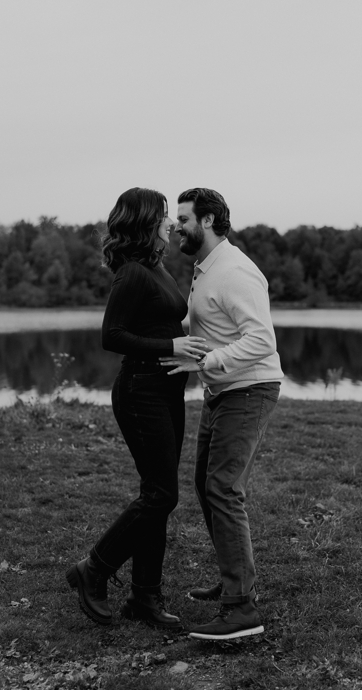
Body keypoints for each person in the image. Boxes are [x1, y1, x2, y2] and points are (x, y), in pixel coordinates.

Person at [65, 187, 210, 630]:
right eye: (164, 215)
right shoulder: (131, 272)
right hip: (140, 391)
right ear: (146, 220)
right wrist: (171, 345)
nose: (170, 222)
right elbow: (112, 336)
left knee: (157, 495)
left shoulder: (155, 266)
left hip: (166, 390)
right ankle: (94, 568)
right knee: (162, 494)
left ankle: (145, 598)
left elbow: (164, 319)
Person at [160, 187, 285, 642]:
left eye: (185, 219)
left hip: (248, 390)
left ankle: (241, 610)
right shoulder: (205, 268)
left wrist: (205, 363)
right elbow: (204, 325)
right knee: (206, 485)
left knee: (222, 488)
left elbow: (261, 341)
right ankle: (234, 578)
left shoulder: (234, 272)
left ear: (209, 221)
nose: (176, 226)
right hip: (223, 392)